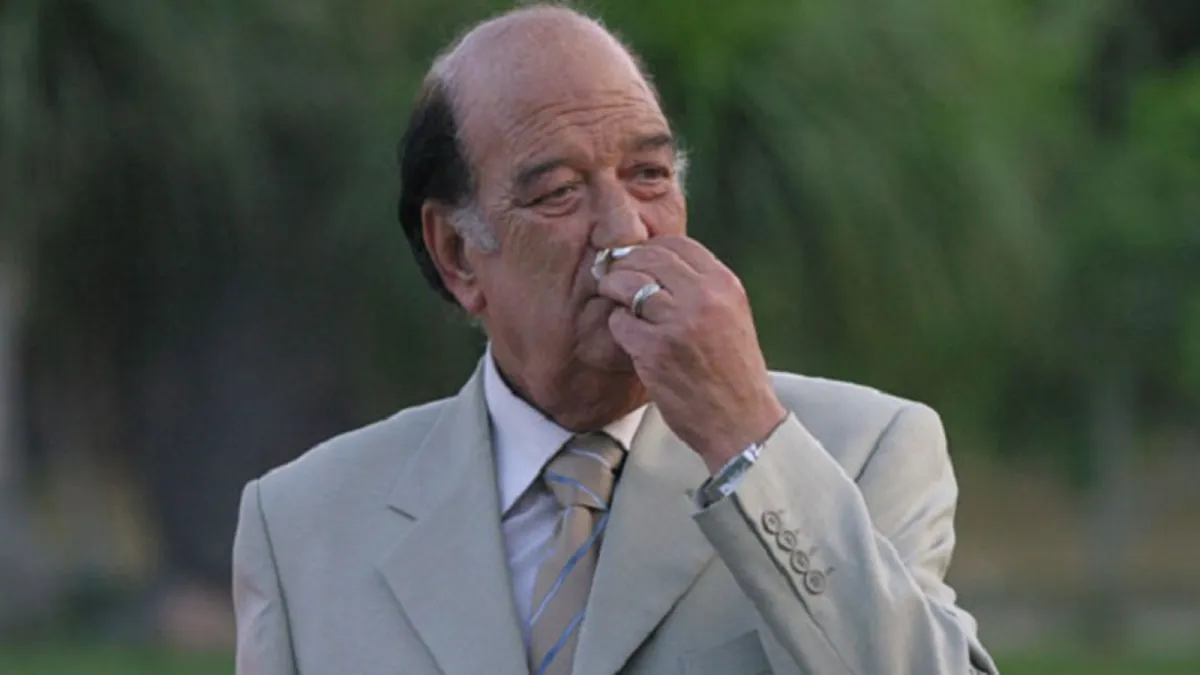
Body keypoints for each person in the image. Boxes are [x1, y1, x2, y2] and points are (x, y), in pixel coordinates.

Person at [232, 5, 998, 674]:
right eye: (559, 192)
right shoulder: (303, 525)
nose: (626, 229)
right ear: (458, 253)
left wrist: (746, 441)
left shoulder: (866, 451)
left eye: (650, 174)